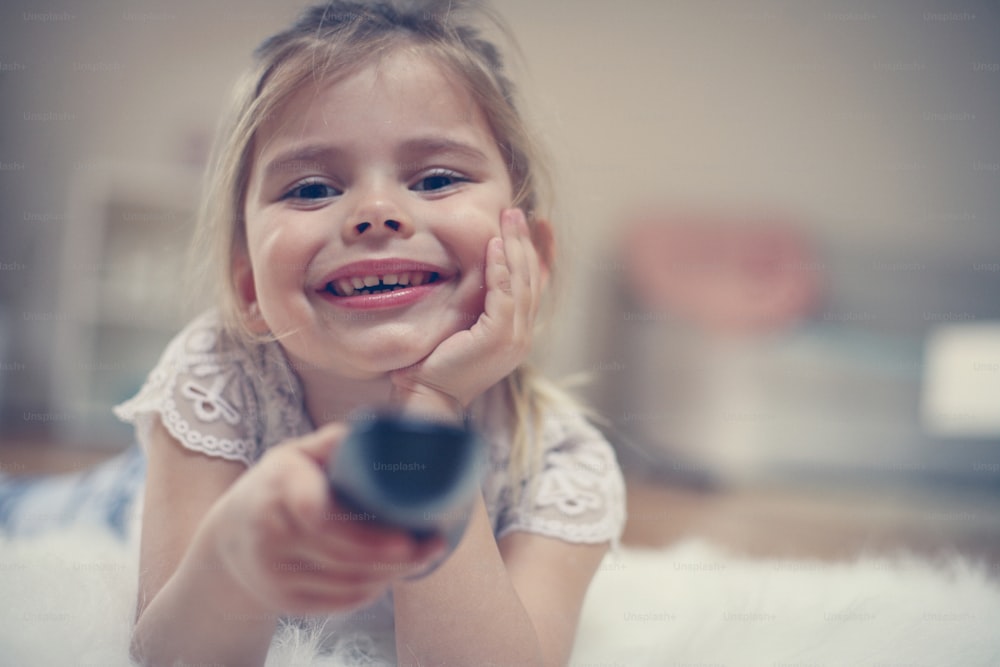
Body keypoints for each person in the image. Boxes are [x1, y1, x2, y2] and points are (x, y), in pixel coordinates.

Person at [114, 1, 626, 665]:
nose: (376, 213)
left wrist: (431, 407)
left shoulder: (559, 465)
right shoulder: (219, 376)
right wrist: (234, 559)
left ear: (531, 256)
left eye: (437, 177)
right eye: (310, 189)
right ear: (249, 289)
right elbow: (168, 656)